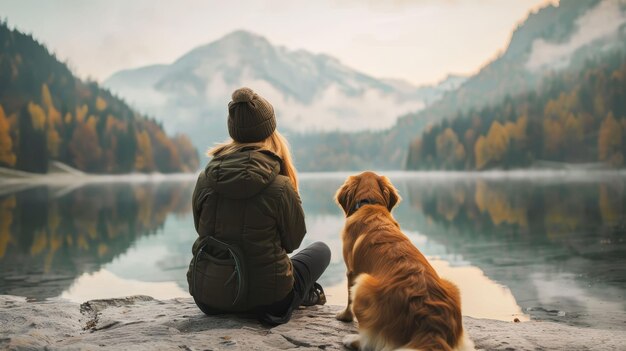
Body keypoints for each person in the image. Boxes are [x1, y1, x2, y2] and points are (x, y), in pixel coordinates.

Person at [187, 87, 331, 325]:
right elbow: (292, 243)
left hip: (209, 299)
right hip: (270, 302)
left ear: (233, 132)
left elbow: (200, 229)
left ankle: (303, 292)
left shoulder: (205, 178)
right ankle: (305, 294)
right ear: (269, 131)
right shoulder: (281, 185)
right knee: (322, 250)